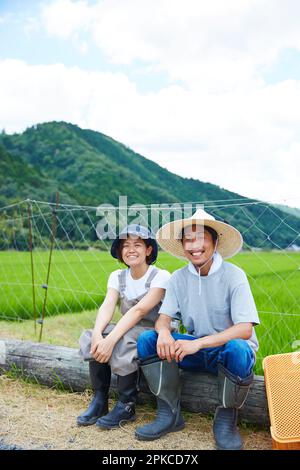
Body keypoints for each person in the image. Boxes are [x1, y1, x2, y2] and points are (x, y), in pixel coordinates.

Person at [135, 208, 260, 450]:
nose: (195, 246)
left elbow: (245, 329)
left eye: (201, 238)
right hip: (192, 350)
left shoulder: (234, 275)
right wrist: (163, 332)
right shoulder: (179, 278)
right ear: (182, 245)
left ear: (215, 241)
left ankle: (225, 419)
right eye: (189, 240)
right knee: (148, 339)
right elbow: (164, 319)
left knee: (238, 349)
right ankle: (169, 413)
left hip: (225, 352)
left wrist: (199, 343)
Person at [77, 224, 171, 429]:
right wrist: (98, 335)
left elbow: (140, 311)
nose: (131, 249)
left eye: (138, 244)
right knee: (92, 334)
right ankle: (100, 400)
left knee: (122, 341)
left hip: (153, 330)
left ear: (148, 250)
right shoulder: (117, 276)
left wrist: (110, 340)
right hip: (127, 327)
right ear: (120, 251)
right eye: (125, 245)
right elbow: (108, 305)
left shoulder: (161, 276)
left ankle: (127, 405)